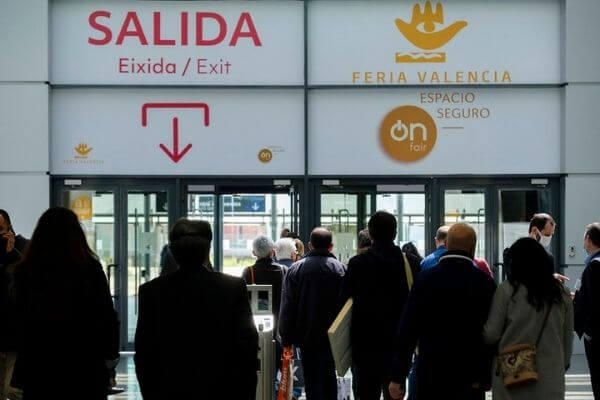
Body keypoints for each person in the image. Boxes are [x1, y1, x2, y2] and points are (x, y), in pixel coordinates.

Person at [135, 218, 258, 399]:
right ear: (207, 251)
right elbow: (247, 348)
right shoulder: (232, 288)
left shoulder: (151, 291)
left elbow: (144, 354)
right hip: (223, 389)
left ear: (172, 251)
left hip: (169, 390)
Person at [9, 207, 119, 400]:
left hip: (39, 369)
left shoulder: (26, 272)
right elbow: (106, 317)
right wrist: (109, 362)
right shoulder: (90, 269)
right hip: (85, 367)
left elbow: (18, 322)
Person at [389, 223, 497, 400]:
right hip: (469, 377)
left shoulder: (425, 279)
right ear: (473, 248)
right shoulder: (485, 283)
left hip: (431, 374)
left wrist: (398, 376)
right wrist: (485, 376)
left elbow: (408, 330)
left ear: (446, 244)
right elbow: (492, 333)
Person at [342, 211, 421, 400]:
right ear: (395, 233)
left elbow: (344, 300)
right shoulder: (410, 262)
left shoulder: (357, 264)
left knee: (366, 394)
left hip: (365, 346)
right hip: (398, 347)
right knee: (394, 394)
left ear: (370, 233)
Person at [484, 237, 573, 400]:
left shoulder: (507, 289)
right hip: (550, 376)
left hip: (511, 375)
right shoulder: (561, 293)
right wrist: (562, 363)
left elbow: (491, 334)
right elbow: (567, 336)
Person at [279, 227, 345, 400]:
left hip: (306, 336)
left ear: (309, 245)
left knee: (312, 381)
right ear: (331, 246)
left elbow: (288, 306)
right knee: (330, 377)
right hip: (333, 338)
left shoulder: (296, 269)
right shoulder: (340, 269)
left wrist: (286, 338)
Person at [242, 235, 287, 336]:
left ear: (253, 253)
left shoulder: (248, 272)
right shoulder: (283, 270)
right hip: (280, 325)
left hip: (256, 326)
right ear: (273, 252)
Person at [574, 223, 600, 399]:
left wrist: (588, 332)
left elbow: (594, 302)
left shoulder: (594, 266)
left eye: (584, 238)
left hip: (596, 337)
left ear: (588, 240)